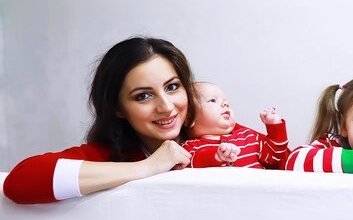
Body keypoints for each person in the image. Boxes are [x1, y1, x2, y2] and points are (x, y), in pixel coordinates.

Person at [3, 36, 197, 204]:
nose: (166, 107)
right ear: (117, 108)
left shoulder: (223, 138)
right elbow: (18, 182)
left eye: (172, 87)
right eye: (143, 96)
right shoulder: (106, 156)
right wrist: (147, 167)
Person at [182, 82, 289, 168]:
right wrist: (215, 156)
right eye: (213, 100)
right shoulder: (190, 147)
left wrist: (275, 125)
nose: (225, 104)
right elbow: (187, 163)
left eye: (226, 102)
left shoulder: (248, 136)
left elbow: (274, 155)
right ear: (189, 119)